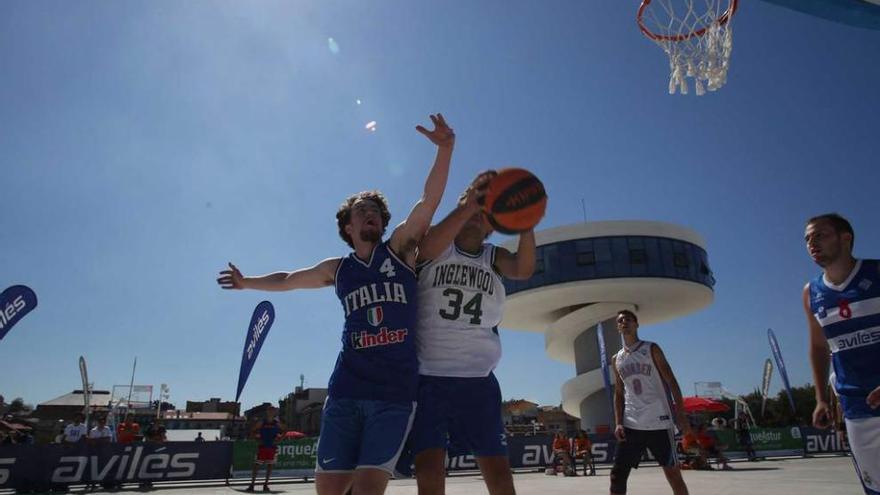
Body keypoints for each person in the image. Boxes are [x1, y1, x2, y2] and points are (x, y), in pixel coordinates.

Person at [217, 114, 455, 495]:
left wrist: (444, 150)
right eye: (362, 209)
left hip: (393, 394)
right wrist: (248, 283)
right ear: (347, 226)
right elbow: (289, 280)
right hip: (345, 391)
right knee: (328, 490)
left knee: (366, 489)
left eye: (375, 209)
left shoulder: (400, 250)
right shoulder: (339, 269)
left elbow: (429, 202)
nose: (370, 212)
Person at [405, 171, 537, 494]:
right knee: (430, 470)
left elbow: (524, 268)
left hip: (478, 379)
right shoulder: (437, 247)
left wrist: (526, 222)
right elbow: (428, 246)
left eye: (486, 212)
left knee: (498, 473)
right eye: (474, 207)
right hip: (429, 377)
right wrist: (469, 204)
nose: (479, 216)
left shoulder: (495, 258)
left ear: (494, 223)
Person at [803, 213, 880, 494]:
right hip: (856, 405)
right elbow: (819, 346)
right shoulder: (811, 292)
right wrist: (821, 398)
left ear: (845, 238)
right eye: (807, 238)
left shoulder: (876, 272)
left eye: (820, 235)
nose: (812, 242)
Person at [610, 309, 691, 495]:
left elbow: (671, 381)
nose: (624, 323)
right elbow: (619, 393)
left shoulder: (651, 349)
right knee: (617, 475)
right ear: (617, 327)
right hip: (631, 423)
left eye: (629, 320)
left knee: (672, 474)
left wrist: (681, 414)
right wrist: (618, 422)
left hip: (658, 422)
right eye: (621, 321)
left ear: (636, 324)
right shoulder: (617, 359)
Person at [246, 406, 286, 492]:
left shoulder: (276, 423)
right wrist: (257, 440)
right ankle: (252, 485)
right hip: (263, 446)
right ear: (267, 411)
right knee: (257, 466)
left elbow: (285, 430)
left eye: (273, 411)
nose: (271, 412)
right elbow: (252, 430)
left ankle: (266, 485)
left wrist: (280, 439)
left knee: (270, 466)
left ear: (275, 412)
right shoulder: (262, 422)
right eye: (270, 410)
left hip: (272, 447)